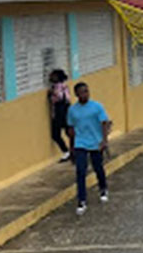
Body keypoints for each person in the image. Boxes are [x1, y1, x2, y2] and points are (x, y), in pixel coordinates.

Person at [66, 82, 110, 216]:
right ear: (77, 94)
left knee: (98, 167)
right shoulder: (72, 110)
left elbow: (104, 123)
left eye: (86, 91)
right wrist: (71, 147)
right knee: (80, 170)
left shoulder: (97, 106)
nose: (85, 94)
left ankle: (103, 188)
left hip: (96, 142)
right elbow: (71, 129)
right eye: (82, 92)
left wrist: (104, 140)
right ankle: (81, 200)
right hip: (80, 143)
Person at [47, 69, 72, 162]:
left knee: (56, 134)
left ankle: (67, 151)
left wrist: (52, 94)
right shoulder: (65, 86)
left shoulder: (57, 87)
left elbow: (60, 97)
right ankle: (73, 150)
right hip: (65, 110)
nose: (50, 77)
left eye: (53, 75)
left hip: (60, 111)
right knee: (67, 131)